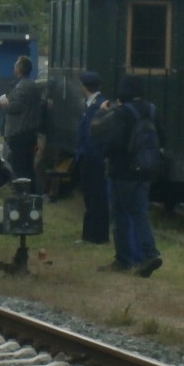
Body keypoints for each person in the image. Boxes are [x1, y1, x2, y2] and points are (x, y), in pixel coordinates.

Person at [91, 74, 163, 277]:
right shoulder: (152, 110)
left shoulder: (122, 113)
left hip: (122, 171)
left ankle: (124, 260)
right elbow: (162, 137)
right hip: (147, 169)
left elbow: (97, 131)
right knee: (140, 212)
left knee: (120, 215)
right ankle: (150, 253)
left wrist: (101, 112)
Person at [73, 71, 110, 248]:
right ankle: (90, 234)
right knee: (90, 197)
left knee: (96, 198)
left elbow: (95, 134)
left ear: (84, 87)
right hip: (88, 156)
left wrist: (87, 153)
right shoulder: (92, 103)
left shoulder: (99, 105)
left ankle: (96, 235)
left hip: (93, 158)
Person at [0, 55, 41, 184]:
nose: (14, 67)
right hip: (30, 131)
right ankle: (32, 191)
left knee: (20, 165)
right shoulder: (33, 85)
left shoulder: (22, 87)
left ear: (20, 69)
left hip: (20, 132)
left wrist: (5, 104)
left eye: (16, 65)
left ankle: (23, 192)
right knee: (28, 165)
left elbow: (15, 108)